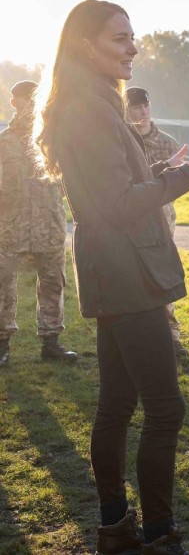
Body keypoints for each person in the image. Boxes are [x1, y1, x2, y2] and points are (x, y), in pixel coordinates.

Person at [34, 0, 189, 555]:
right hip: (126, 270)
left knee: (116, 404)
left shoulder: (94, 102)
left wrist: (183, 171)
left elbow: (115, 187)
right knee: (164, 407)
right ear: (86, 46)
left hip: (116, 265)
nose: (133, 48)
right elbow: (120, 204)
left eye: (133, 37)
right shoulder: (88, 107)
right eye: (119, 39)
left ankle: (115, 527)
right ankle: (156, 534)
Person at [0, 80, 77, 366]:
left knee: (53, 282)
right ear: (14, 102)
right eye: (25, 99)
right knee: (2, 284)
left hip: (49, 225)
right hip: (11, 226)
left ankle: (51, 341)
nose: (30, 105)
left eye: (35, 99)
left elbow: (73, 181)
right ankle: (2, 343)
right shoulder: (4, 141)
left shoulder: (54, 140)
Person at [127, 86, 189, 359]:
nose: (142, 111)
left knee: (162, 276)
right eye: (135, 106)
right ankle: (139, 336)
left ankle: (171, 335)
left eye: (145, 105)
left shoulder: (167, 142)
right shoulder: (123, 141)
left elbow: (178, 183)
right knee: (133, 276)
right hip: (130, 219)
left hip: (162, 219)